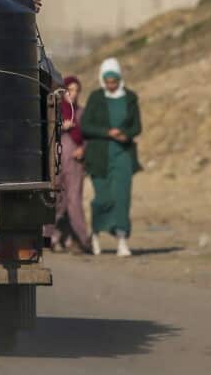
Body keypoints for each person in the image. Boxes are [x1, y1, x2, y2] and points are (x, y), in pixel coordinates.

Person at [80, 58, 142, 257]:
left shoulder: (130, 98)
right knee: (103, 198)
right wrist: (107, 132)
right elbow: (86, 126)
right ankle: (96, 234)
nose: (111, 85)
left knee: (122, 198)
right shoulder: (96, 97)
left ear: (119, 79)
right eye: (107, 81)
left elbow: (137, 126)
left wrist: (126, 135)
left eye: (114, 81)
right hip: (99, 155)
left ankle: (122, 240)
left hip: (123, 154)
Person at [49, 75, 92, 253]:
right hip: (57, 163)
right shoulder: (54, 111)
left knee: (74, 200)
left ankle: (83, 239)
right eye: (70, 90)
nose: (73, 94)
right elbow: (47, 133)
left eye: (76, 90)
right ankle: (51, 237)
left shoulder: (81, 112)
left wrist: (83, 149)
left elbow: (88, 135)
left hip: (75, 163)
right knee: (57, 201)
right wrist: (61, 127)